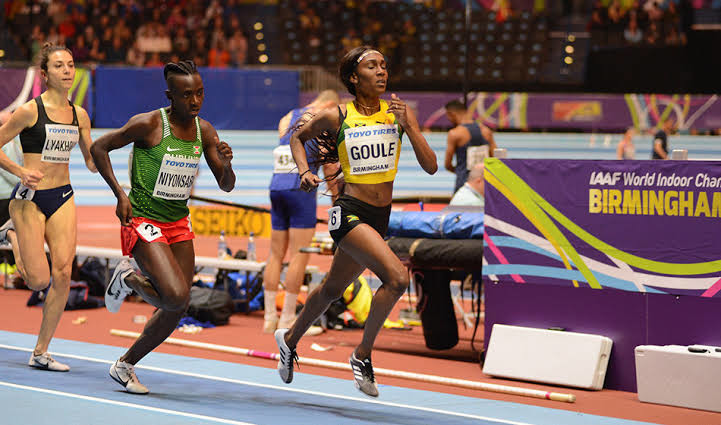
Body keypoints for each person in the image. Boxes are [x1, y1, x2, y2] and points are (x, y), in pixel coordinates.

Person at [274, 46, 437, 397]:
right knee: (397, 279)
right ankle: (362, 354)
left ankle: (288, 339)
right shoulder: (337, 115)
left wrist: (409, 126)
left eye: (384, 66)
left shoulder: (397, 113)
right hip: (348, 212)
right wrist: (303, 171)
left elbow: (431, 166)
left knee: (332, 290)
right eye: (372, 66)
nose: (381, 72)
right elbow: (297, 137)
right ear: (353, 77)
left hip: (380, 218)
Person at [90, 60, 235, 394]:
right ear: (170, 96)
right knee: (175, 295)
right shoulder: (149, 124)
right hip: (143, 219)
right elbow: (99, 147)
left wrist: (227, 165)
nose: (195, 101)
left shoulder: (205, 131)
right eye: (187, 95)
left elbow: (226, 185)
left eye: (200, 93)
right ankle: (127, 278)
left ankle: (124, 365)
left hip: (178, 223)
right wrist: (120, 194)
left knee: (178, 306)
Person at [0, 43, 96, 371]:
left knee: (64, 273)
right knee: (39, 281)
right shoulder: (29, 111)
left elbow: (91, 161)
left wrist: (108, 154)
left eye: (70, 64)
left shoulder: (79, 115)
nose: (67, 70)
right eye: (58, 66)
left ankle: (40, 351)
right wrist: (20, 171)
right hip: (29, 199)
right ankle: (11, 234)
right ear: (44, 73)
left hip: (62, 196)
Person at [263, 90, 340, 334]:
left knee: (275, 255)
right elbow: (328, 165)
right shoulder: (321, 118)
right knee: (299, 254)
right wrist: (336, 199)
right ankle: (287, 319)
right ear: (330, 104)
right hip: (300, 190)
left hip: (276, 187)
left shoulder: (287, 117)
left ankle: (269, 318)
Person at [444, 99, 496, 193]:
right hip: (484, 183)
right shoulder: (486, 131)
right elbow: (496, 159)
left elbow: (447, 165)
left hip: (464, 183)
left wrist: (460, 172)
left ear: (451, 114)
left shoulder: (454, 134)